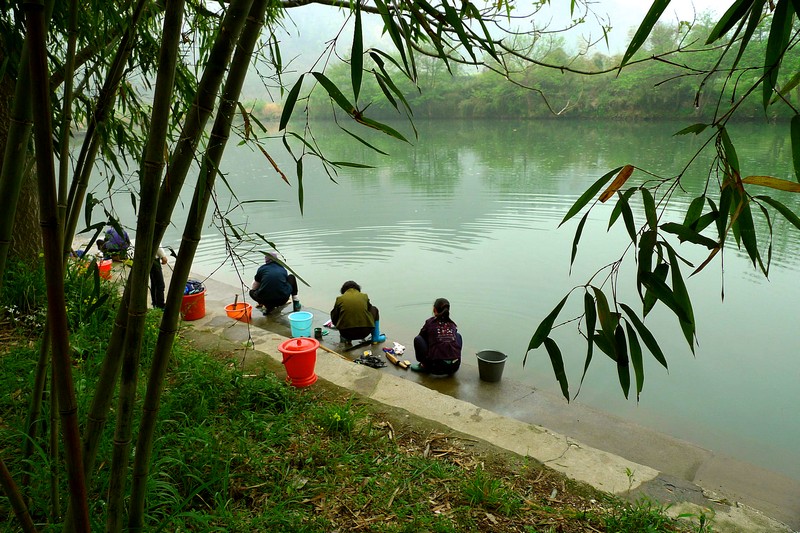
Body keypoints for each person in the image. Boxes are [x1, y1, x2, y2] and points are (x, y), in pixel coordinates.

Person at [411, 297, 462, 375]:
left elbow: (421, 337)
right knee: (457, 336)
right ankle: (452, 362)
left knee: (418, 339)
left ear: (434, 310)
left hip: (435, 368)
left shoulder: (430, 322)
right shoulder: (452, 325)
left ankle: (424, 365)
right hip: (455, 367)